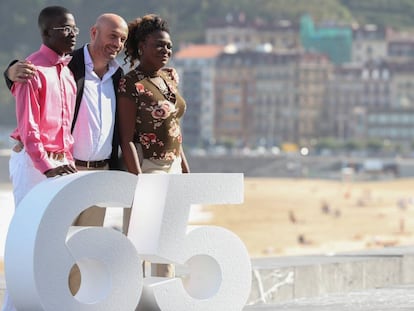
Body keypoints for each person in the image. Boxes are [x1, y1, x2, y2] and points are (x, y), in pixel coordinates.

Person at [5, 13, 129, 295]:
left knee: (84, 252)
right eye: (113, 36)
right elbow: (32, 75)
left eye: (122, 39)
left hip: (96, 174)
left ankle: (71, 302)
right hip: (61, 169)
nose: (118, 44)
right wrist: (10, 71)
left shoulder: (118, 75)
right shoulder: (67, 63)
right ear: (94, 32)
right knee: (46, 242)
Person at [2, 6, 79, 311]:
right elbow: (29, 127)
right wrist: (48, 167)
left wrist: (66, 163)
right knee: (27, 240)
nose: (72, 33)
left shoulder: (68, 73)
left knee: (51, 243)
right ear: (47, 33)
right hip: (36, 166)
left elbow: (65, 128)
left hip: (61, 166)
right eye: (64, 29)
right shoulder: (30, 70)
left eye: (74, 28)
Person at [117, 14, 190, 277]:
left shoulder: (169, 78)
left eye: (169, 46)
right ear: (141, 47)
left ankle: (163, 296)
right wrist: (138, 180)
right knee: (139, 238)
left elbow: (173, 126)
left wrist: (183, 165)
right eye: (159, 45)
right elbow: (125, 138)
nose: (166, 50)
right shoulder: (131, 83)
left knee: (167, 240)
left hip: (172, 166)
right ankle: (131, 297)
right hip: (148, 167)